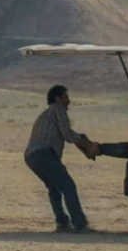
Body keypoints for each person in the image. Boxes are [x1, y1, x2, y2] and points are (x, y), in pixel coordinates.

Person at [24, 85, 97, 233]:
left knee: (54, 189)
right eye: (66, 97)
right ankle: (80, 224)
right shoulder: (58, 109)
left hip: (31, 156)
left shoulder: (46, 113)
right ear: (58, 99)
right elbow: (67, 134)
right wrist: (87, 143)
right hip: (44, 154)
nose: (69, 100)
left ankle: (62, 223)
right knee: (68, 186)